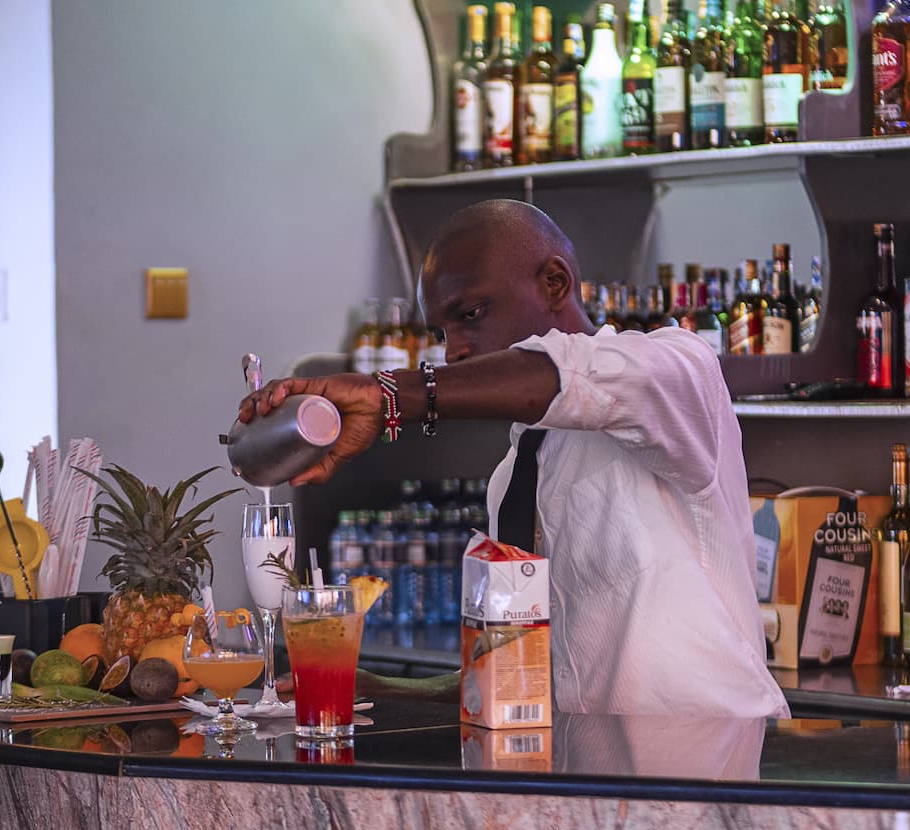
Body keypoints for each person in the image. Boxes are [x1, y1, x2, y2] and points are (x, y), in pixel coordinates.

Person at [242, 199, 786, 719]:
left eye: (471, 314)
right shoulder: (514, 474)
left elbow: (572, 371)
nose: (453, 350)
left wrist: (389, 396)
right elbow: (513, 662)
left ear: (555, 283)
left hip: (709, 758)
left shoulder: (677, 367)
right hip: (587, 772)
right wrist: (387, 688)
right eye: (442, 332)